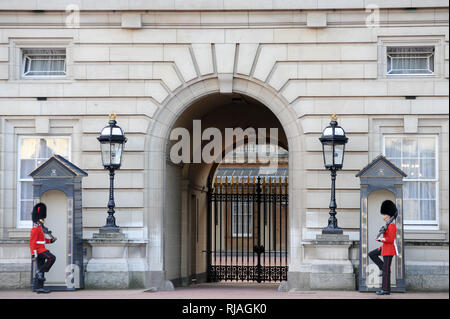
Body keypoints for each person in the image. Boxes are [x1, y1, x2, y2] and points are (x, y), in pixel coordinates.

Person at [368, 199, 398, 295]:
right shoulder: (387, 225)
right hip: (384, 248)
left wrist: (380, 239)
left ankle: (386, 289)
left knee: (386, 271)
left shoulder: (392, 226)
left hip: (389, 250)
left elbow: (390, 240)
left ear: (389, 215)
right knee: (372, 254)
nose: (383, 216)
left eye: (384, 215)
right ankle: (381, 268)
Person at [29, 203, 57, 294]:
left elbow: (42, 240)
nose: (43, 220)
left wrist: (51, 241)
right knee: (52, 258)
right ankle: (39, 271)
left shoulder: (40, 228)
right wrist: (33, 254)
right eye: (42, 218)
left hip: (41, 248)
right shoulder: (35, 229)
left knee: (42, 267)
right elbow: (32, 242)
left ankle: (38, 288)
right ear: (38, 219)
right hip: (38, 250)